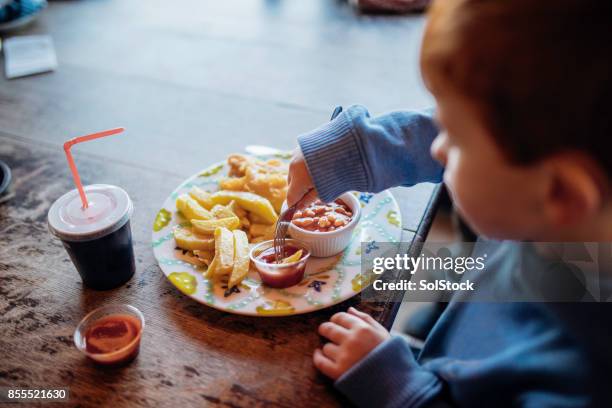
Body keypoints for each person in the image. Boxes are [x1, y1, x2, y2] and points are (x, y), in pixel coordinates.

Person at [287, 0, 612, 406]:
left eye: (454, 142)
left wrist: (403, 390)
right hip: (472, 311)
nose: (438, 150)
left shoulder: (580, 381)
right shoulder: (553, 203)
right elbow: (481, 128)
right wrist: (355, 151)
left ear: (561, 194)